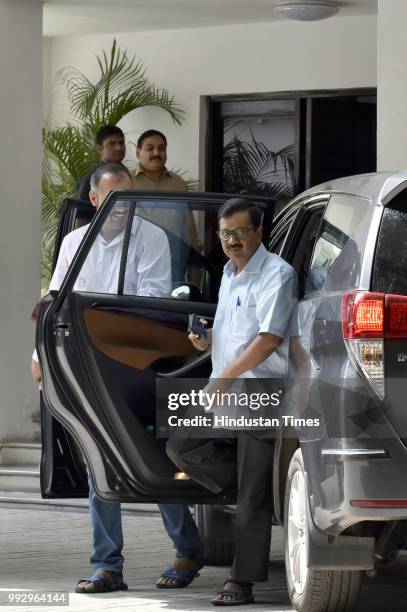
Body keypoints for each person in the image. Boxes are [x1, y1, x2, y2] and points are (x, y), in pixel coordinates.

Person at [32, 164, 204, 594]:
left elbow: (147, 303)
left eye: (130, 199)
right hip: (87, 367)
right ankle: (107, 566)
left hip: (138, 363)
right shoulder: (74, 242)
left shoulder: (151, 238)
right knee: (99, 464)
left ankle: (186, 550)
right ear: (94, 199)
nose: (125, 208)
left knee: (154, 456)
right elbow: (57, 301)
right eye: (115, 199)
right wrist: (38, 355)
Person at [167, 197, 298, 606]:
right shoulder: (227, 273)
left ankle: (242, 581)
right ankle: (248, 491)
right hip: (224, 389)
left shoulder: (277, 274)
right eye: (225, 233)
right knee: (181, 446)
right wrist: (207, 341)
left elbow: (269, 338)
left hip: (260, 391)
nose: (232, 241)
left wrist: (225, 376)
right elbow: (235, 333)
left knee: (251, 496)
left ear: (259, 232)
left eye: (240, 232)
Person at [131, 129, 201, 277]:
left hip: (173, 264)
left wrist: (194, 274)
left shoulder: (178, 184)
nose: (156, 152)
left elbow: (189, 230)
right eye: (150, 148)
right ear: (138, 153)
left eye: (161, 148)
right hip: (135, 264)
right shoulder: (127, 182)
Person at [76, 125, 126, 202]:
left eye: (121, 142)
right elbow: (80, 212)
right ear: (100, 149)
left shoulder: (127, 174)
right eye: (112, 144)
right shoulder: (90, 180)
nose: (118, 147)